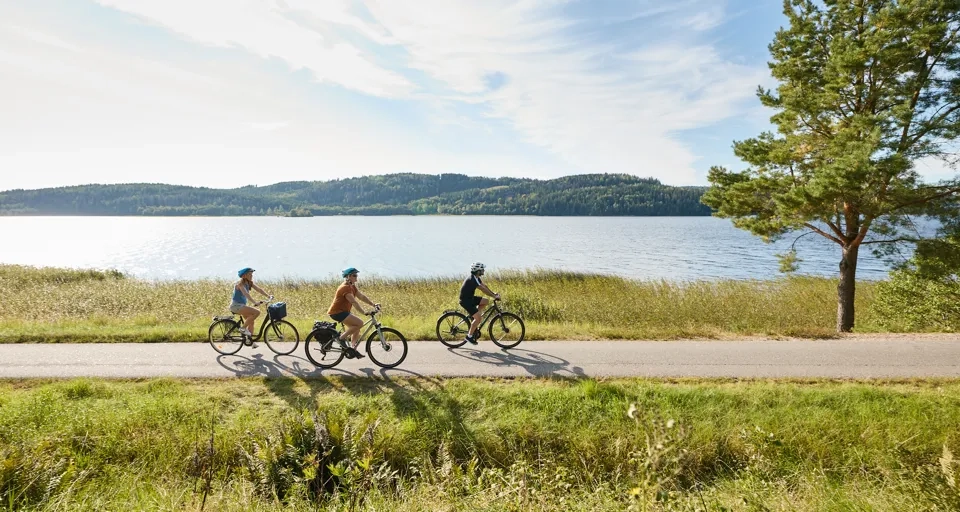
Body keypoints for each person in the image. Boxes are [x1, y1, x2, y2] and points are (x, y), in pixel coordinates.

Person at [327, 267, 380, 359]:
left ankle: (353, 349)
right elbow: (354, 302)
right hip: (337, 312)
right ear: (348, 277)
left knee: (356, 328)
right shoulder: (345, 288)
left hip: (343, 312)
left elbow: (361, 297)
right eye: (354, 275)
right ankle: (340, 338)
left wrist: (373, 304)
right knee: (359, 323)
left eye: (357, 275)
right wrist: (364, 312)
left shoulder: (352, 286)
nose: (356, 277)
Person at [460, 262, 499, 345]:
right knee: (478, 319)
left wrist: (494, 294)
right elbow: (482, 289)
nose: (483, 270)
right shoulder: (472, 279)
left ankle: (474, 318)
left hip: (470, 298)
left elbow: (484, 286)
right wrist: (494, 296)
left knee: (485, 301)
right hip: (466, 301)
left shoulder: (476, 278)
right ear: (478, 271)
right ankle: (469, 337)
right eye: (482, 269)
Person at [230, 267, 272, 344]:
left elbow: (259, 289)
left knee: (251, 322)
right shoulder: (240, 284)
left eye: (252, 274)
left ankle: (249, 341)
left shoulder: (249, 283)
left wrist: (268, 296)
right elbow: (246, 294)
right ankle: (242, 328)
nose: (252, 276)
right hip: (236, 306)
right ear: (245, 275)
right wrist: (254, 302)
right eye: (250, 274)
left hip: (241, 306)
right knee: (257, 312)